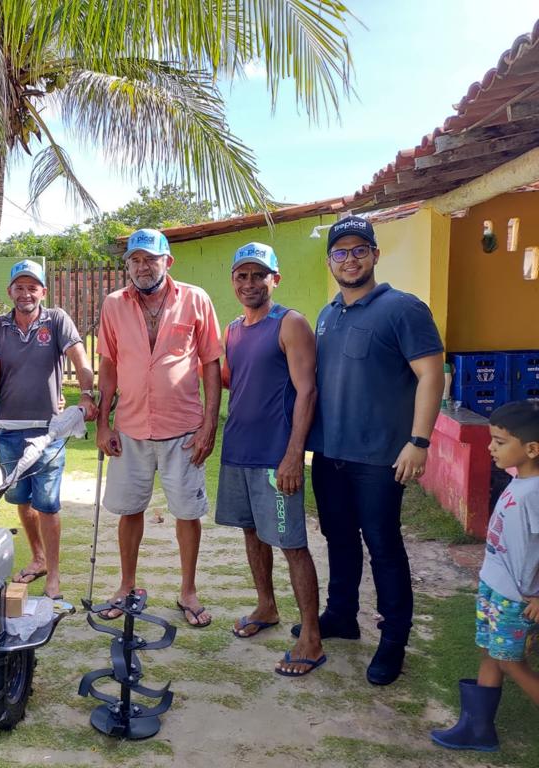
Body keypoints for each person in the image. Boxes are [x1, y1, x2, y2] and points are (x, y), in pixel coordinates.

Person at [301, 215, 444, 685]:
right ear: (330, 262)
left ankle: (393, 639)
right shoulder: (327, 314)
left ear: (375, 255)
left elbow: (431, 375)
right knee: (339, 539)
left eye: (359, 250)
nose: (350, 259)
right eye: (340, 252)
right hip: (331, 453)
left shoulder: (403, 308)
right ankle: (341, 615)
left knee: (383, 546)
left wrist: (418, 442)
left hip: (380, 458)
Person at [95, 229, 222, 627]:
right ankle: (127, 585)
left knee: (187, 513)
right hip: (130, 427)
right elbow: (109, 367)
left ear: (168, 261)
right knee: (129, 511)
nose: (142, 266)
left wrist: (209, 426)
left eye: (150, 258)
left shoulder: (196, 299)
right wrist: (103, 422)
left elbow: (211, 365)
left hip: (183, 429)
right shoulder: (113, 304)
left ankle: (187, 590)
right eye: (134, 259)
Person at [215, 243, 323, 674]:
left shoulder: (290, 323)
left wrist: (294, 455)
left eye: (259, 275)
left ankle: (311, 637)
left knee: (292, 544)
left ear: (275, 278)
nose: (249, 284)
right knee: (251, 532)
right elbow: (235, 383)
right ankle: (266, 607)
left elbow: (307, 390)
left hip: (275, 458)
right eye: (241, 276)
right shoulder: (233, 329)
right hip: (237, 451)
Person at [0, 259, 97, 601]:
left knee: (47, 504)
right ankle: (38, 557)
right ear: (10, 291)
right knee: (20, 498)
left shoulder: (56, 319)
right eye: (19, 286)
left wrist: (87, 396)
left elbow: (81, 362)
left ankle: (54, 576)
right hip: (10, 429)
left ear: (43, 291)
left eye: (33, 287)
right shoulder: (0, 327)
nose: (26, 293)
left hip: (48, 432)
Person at [431, 401, 539, 752]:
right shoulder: (519, 479)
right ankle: (477, 729)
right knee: (491, 653)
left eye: (499, 441)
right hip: (495, 586)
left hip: (517, 596)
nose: (490, 448)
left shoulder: (536, 492)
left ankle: (478, 728)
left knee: (510, 661)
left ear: (531, 449)